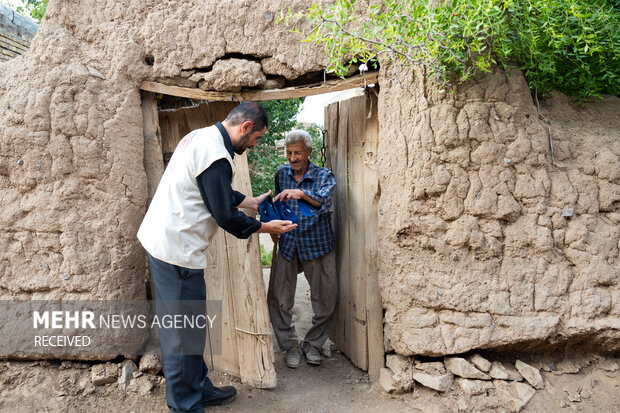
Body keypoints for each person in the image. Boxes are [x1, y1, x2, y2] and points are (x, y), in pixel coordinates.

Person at [137, 102, 297, 413]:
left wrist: (251, 202)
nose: (253, 145)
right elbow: (223, 214)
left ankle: (198, 388)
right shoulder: (216, 154)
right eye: (256, 138)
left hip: (173, 245)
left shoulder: (203, 138)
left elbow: (215, 190)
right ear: (246, 127)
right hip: (174, 252)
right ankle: (184, 405)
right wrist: (264, 227)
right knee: (180, 334)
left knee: (192, 326)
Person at [268, 129, 337, 369]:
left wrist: (301, 193)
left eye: (298, 153)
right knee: (279, 299)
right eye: (289, 153)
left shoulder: (323, 175)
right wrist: (275, 227)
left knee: (326, 298)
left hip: (317, 243)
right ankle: (290, 345)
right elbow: (277, 203)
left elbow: (323, 201)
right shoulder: (281, 174)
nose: (292, 158)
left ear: (308, 151)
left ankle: (314, 343)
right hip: (288, 242)